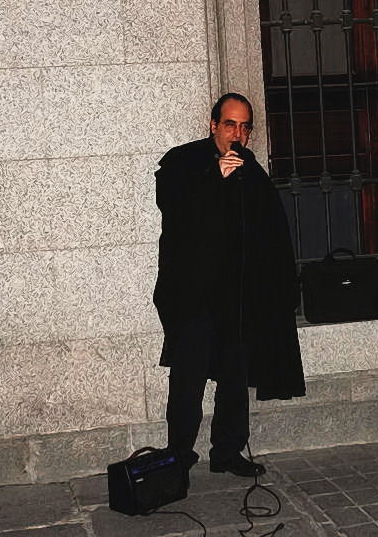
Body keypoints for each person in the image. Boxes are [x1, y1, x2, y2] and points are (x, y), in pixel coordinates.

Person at [153, 93, 305, 485]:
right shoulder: (182, 162)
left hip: (237, 297)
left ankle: (227, 451)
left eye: (244, 127)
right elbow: (174, 210)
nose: (237, 134)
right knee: (188, 378)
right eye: (229, 125)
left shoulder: (250, 169)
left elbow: (269, 232)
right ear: (213, 125)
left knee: (235, 377)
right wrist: (214, 178)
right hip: (193, 297)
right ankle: (179, 454)